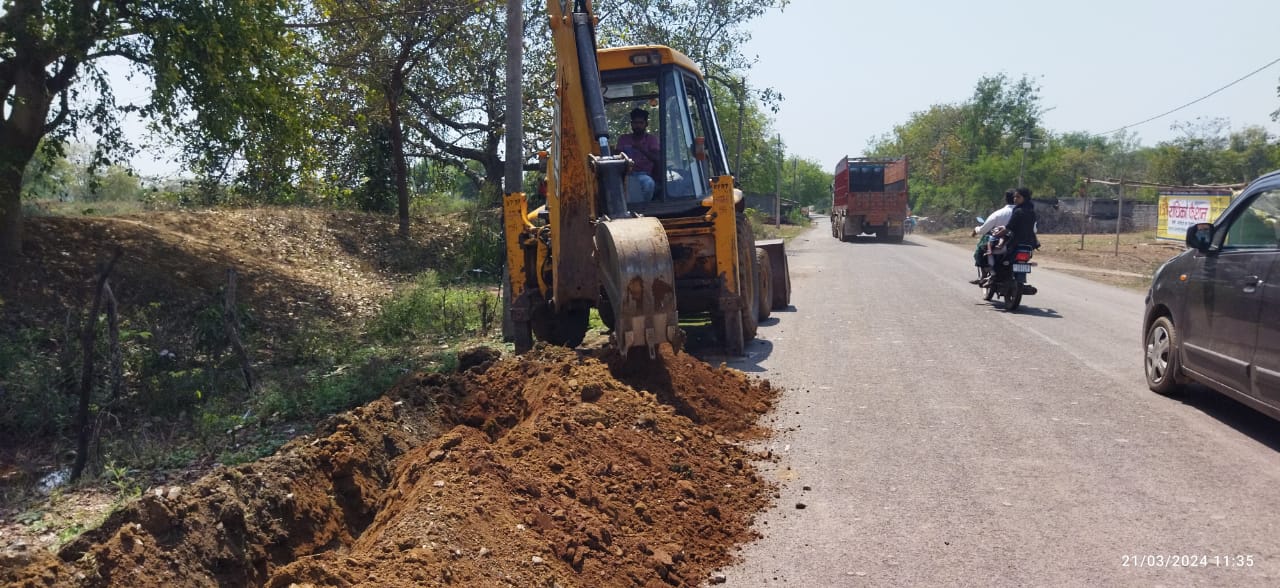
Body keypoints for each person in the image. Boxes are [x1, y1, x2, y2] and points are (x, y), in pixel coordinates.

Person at [969, 189, 1016, 284]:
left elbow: (983, 230)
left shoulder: (999, 213)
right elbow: (1034, 230)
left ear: (1005, 199)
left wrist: (976, 229)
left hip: (1002, 243)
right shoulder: (1025, 213)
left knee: (980, 251)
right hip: (1020, 244)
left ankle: (984, 276)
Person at [616, 108, 660, 202]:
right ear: (631, 124)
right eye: (635, 123)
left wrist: (642, 149)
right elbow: (616, 157)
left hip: (644, 174)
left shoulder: (651, 140)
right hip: (626, 175)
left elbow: (656, 158)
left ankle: (643, 208)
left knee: (648, 184)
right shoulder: (623, 139)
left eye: (641, 123)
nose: (638, 126)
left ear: (646, 124)